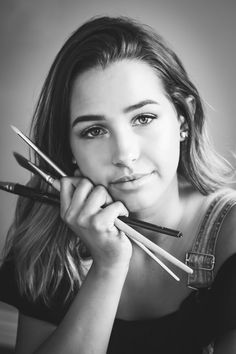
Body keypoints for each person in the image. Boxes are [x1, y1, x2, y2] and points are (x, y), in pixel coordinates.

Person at [0, 15, 236, 354]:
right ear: (70, 150)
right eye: (94, 131)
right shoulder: (47, 238)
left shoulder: (231, 240)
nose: (125, 154)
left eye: (143, 118)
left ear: (183, 118)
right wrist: (108, 266)